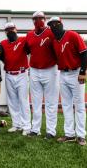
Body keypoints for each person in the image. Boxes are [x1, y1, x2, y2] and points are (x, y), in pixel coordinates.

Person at [48, 16, 87, 146]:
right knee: (66, 105)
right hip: (63, 74)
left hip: (76, 73)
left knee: (79, 105)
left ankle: (81, 135)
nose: (53, 26)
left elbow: (84, 53)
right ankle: (69, 134)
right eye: (51, 25)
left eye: (56, 24)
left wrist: (82, 71)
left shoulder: (72, 35)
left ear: (61, 23)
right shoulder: (54, 41)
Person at [25, 11, 59, 139]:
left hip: (50, 69)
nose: (37, 21)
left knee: (51, 102)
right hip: (34, 70)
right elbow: (28, 50)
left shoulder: (51, 32)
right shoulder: (29, 35)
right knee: (35, 102)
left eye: (40, 18)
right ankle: (35, 129)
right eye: (35, 19)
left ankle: (51, 131)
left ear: (44, 19)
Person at [0, 22, 31, 135]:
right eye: (7, 30)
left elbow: (30, 50)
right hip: (9, 74)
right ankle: (16, 124)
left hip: (22, 74)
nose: (10, 31)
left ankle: (26, 126)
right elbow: (3, 57)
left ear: (16, 29)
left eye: (12, 29)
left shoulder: (23, 40)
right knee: (12, 101)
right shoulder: (3, 43)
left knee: (23, 101)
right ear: (5, 32)